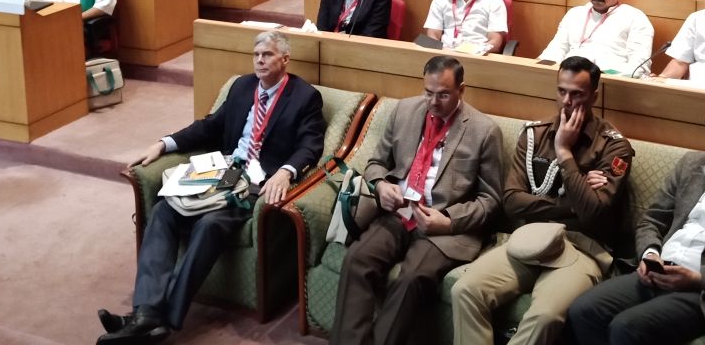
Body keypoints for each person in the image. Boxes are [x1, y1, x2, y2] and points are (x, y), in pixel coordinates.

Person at [97, 31, 325, 343]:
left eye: (268, 55)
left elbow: (310, 145)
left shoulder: (304, 97)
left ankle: (163, 318)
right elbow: (210, 126)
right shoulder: (242, 86)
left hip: (254, 184)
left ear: (285, 59)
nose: (260, 60)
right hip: (224, 172)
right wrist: (164, 143)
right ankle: (146, 313)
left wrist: (286, 172)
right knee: (163, 211)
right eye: (256, 54)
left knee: (210, 224)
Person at [567, 104, 705, 344]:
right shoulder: (691, 166)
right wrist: (650, 253)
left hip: (702, 292)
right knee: (583, 310)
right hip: (656, 273)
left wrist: (699, 278)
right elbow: (653, 218)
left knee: (627, 327)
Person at [452, 57, 634, 345]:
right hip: (531, 239)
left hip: (582, 247)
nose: (567, 101)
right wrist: (573, 203)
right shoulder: (534, 135)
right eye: (562, 91)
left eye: (577, 94)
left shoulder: (614, 147)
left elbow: (593, 214)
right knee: (464, 290)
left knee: (545, 316)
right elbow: (511, 200)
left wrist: (564, 151)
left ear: (594, 97)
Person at [329, 54, 503, 345]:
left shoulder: (484, 131)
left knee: (411, 279)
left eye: (443, 95)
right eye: (428, 92)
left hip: (444, 228)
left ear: (461, 90)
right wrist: (381, 185)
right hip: (399, 213)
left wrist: (448, 221)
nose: (434, 102)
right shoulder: (404, 111)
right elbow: (376, 163)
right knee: (357, 259)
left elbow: (491, 200)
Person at [538, 0, 654, 75]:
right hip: (567, 78)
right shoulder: (575, 14)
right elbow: (556, 50)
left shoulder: (635, 18)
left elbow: (639, 68)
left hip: (609, 81)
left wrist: (602, 75)